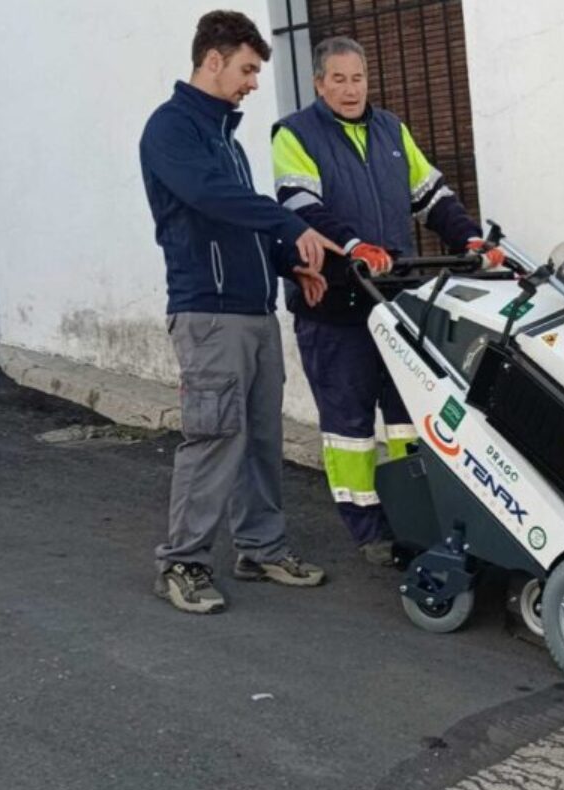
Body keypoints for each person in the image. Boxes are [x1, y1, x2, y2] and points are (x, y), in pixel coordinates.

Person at [271, 36, 505, 566]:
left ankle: (417, 515)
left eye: (358, 78)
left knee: (407, 416)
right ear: (318, 83)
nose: (350, 89)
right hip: (334, 302)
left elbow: (432, 196)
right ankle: (368, 527)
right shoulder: (294, 134)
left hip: (393, 297)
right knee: (349, 423)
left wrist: (467, 238)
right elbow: (300, 203)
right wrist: (353, 246)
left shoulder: (392, 130)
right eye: (338, 79)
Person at [139, 10, 343, 614]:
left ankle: (260, 547)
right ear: (212, 61)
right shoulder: (171, 129)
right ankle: (182, 563)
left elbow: (241, 226)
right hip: (208, 314)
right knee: (214, 436)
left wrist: (289, 262)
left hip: (253, 312)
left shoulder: (225, 138)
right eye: (248, 69)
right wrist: (291, 223)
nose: (253, 82)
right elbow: (212, 199)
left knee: (259, 436)